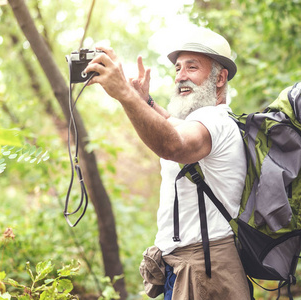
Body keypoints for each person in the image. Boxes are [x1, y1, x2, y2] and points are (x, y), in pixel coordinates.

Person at [85, 27, 252, 299]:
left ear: (220, 78)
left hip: (204, 269)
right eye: (177, 68)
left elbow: (173, 144)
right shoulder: (202, 121)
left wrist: (124, 95)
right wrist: (144, 100)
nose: (181, 76)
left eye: (192, 67)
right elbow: (171, 125)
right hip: (191, 265)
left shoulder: (216, 121)